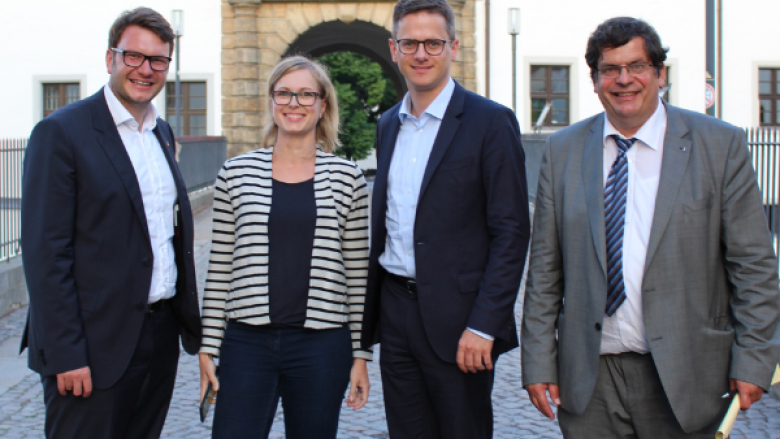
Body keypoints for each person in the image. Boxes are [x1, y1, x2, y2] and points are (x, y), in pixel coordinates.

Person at [521, 16, 780, 438]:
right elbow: (545, 271)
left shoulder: (719, 145)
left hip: (686, 374)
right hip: (590, 380)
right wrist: (537, 361)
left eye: (637, 66)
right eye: (610, 69)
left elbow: (753, 266)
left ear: (660, 73)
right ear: (595, 80)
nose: (624, 80)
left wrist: (753, 359)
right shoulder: (563, 150)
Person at [19, 7, 202, 439]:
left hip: (157, 336)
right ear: (110, 59)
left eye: (158, 60)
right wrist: (66, 353)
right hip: (91, 345)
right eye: (133, 56)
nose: (145, 69)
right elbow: (46, 252)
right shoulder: (62, 132)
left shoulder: (161, 133)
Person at [359, 0, 530, 437]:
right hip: (396, 312)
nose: (421, 54)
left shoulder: (490, 121)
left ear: (453, 46)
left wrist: (483, 324)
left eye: (433, 43)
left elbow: (511, 231)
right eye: (410, 43)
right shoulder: (388, 125)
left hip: (461, 321)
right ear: (393, 49)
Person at [198, 55, 371, 439]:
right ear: (272, 101)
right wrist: (208, 347)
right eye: (284, 94)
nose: (294, 104)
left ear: (323, 104)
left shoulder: (347, 178)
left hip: (323, 345)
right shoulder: (236, 173)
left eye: (306, 94)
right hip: (247, 341)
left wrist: (360, 355)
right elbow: (220, 268)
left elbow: (359, 276)